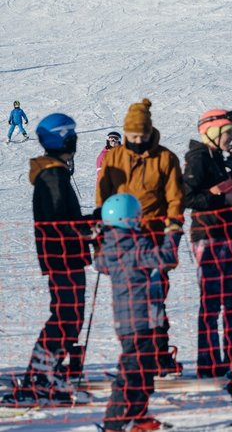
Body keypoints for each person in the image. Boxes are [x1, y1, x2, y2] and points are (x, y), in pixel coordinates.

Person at [96, 99, 185, 377]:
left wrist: (173, 231)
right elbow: (103, 194)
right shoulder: (115, 156)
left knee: (156, 298)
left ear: (150, 132)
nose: (136, 141)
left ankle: (159, 353)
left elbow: (174, 199)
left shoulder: (165, 158)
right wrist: (103, 230)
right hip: (122, 239)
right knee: (129, 302)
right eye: (132, 136)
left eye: (141, 136)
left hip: (154, 238)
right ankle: (134, 357)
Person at [19, 114, 95, 405]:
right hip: (62, 257)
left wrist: (92, 221)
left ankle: (46, 370)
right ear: (65, 138)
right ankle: (39, 376)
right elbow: (57, 223)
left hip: (67, 255)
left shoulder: (57, 173)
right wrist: (89, 227)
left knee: (69, 317)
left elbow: (65, 220)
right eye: (72, 135)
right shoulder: (52, 176)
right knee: (66, 317)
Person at [97, 193, 182, 432]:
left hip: (126, 321)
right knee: (132, 372)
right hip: (142, 319)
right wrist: (172, 233)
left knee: (144, 370)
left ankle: (137, 415)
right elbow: (165, 257)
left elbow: (100, 264)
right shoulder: (135, 244)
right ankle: (114, 422)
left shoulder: (111, 246)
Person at [182, 109, 232, 381]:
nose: (231, 137)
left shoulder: (218, 158)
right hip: (208, 235)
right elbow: (188, 198)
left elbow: (228, 188)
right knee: (212, 302)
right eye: (228, 132)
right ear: (212, 132)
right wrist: (218, 200)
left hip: (227, 234)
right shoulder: (197, 159)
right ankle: (208, 362)